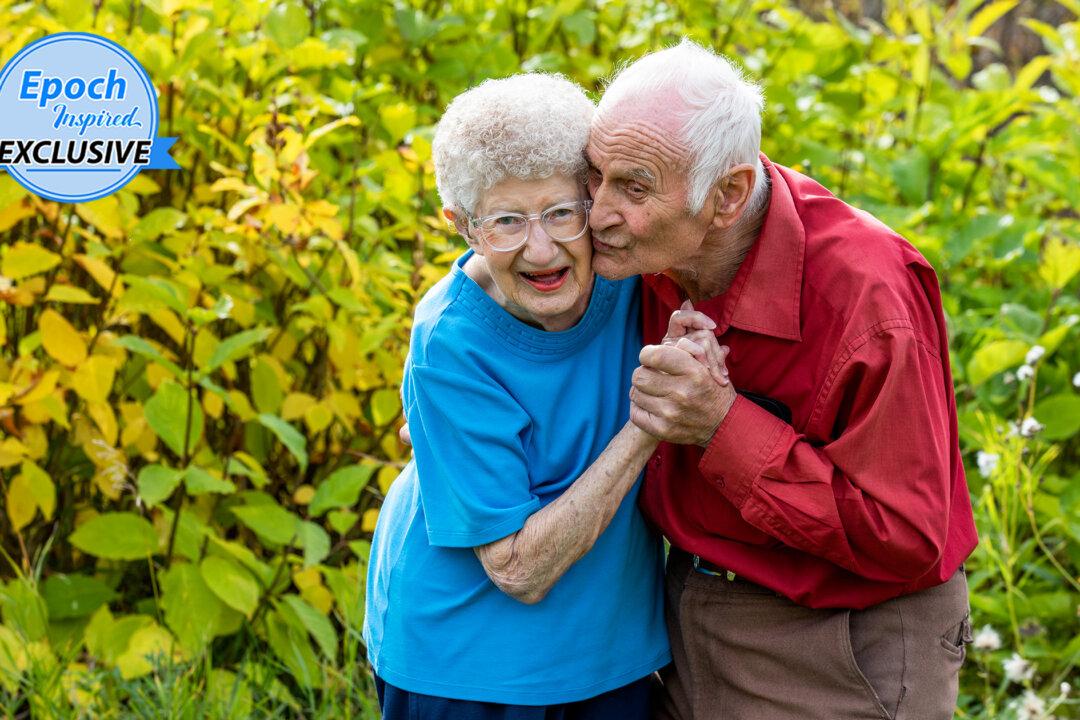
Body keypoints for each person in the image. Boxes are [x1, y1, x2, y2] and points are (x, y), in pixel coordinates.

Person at [583, 40, 979, 720]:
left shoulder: (867, 299)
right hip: (679, 619)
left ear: (728, 195)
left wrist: (721, 424)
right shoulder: (643, 244)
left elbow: (908, 536)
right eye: (596, 176)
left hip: (840, 645)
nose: (595, 215)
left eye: (634, 188)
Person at [363, 73, 684, 720]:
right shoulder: (448, 343)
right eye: (507, 221)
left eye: (562, 212)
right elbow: (516, 569)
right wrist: (649, 424)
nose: (542, 250)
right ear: (463, 227)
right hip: (463, 667)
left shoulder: (631, 272)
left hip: (610, 653)